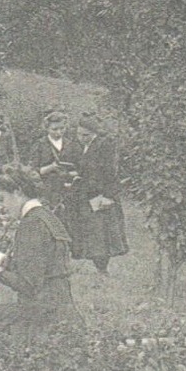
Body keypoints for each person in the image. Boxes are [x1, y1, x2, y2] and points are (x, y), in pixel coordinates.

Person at [0, 164, 78, 333]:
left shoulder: (32, 224)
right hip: (63, 311)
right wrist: (11, 264)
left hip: (42, 318)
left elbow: (29, 285)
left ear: (18, 192)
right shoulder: (46, 216)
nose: (0, 207)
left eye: (2, 199)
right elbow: (46, 268)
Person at [70, 113, 128, 273]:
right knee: (92, 233)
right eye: (79, 134)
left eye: (86, 135)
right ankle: (97, 266)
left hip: (100, 196)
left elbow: (111, 173)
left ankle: (102, 268)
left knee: (101, 234)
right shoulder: (81, 147)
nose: (81, 137)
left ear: (94, 133)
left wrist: (108, 196)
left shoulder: (104, 146)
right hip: (86, 195)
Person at [28, 109, 81, 222]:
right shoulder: (40, 145)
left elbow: (82, 168)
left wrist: (71, 173)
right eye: (54, 129)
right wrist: (50, 168)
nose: (59, 132)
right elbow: (32, 171)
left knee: (71, 219)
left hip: (69, 189)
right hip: (48, 190)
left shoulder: (72, 145)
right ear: (47, 128)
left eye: (62, 129)